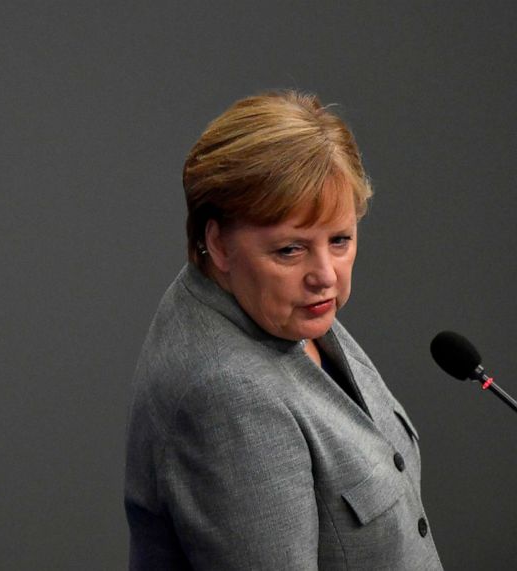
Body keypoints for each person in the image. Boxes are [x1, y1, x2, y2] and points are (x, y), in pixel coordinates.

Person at [123, 90, 443, 570]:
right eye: (290, 250)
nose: (326, 274)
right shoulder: (228, 398)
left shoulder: (279, 305)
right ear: (218, 242)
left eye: (340, 240)